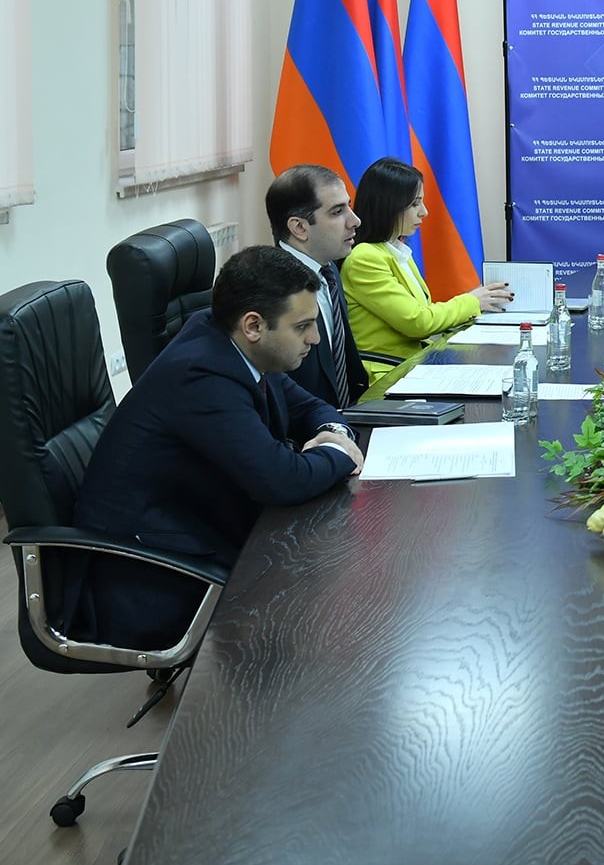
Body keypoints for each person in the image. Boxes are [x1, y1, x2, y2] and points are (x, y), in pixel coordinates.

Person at [70, 246, 366, 650]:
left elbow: (311, 408)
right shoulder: (202, 375)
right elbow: (281, 479)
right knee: (334, 590)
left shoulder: (236, 344)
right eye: (302, 327)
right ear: (254, 325)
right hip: (151, 573)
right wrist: (340, 453)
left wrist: (332, 431)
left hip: (205, 525)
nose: (314, 338)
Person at [343, 156, 514, 380]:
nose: (424, 212)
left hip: (414, 366)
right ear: (388, 205)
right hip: (387, 376)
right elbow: (418, 322)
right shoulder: (364, 258)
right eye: (415, 204)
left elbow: (423, 313)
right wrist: (473, 301)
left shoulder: (395, 251)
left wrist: (474, 304)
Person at [267, 164, 369, 410]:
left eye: (349, 206)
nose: (355, 221)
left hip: (347, 412)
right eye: (337, 212)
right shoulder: (275, 291)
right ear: (299, 228)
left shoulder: (328, 268)